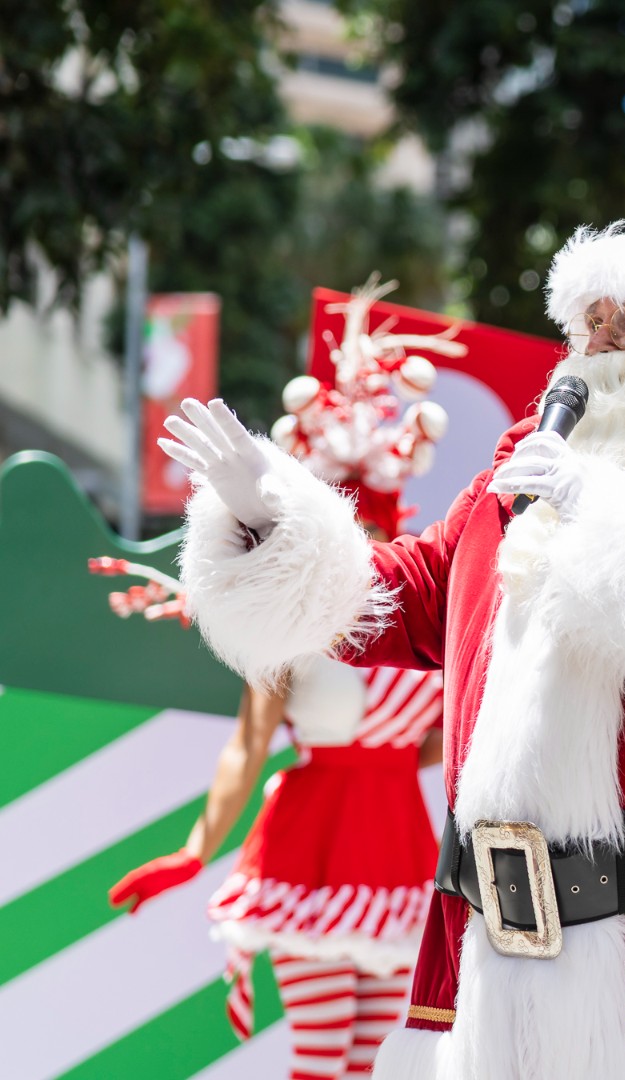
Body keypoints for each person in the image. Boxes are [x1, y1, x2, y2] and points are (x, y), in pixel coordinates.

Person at [159, 216, 625, 1079]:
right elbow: (389, 599)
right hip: (492, 977)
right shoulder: (514, 486)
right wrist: (269, 523)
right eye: (589, 323)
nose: (599, 347)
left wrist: (608, 517)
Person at [109, 278, 454, 1079]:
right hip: (310, 848)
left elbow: (444, 738)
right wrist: (199, 849)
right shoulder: (293, 626)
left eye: (371, 529)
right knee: (320, 1058)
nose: (360, 543)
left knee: (379, 1064)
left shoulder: (418, 618)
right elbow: (248, 743)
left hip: (399, 850)